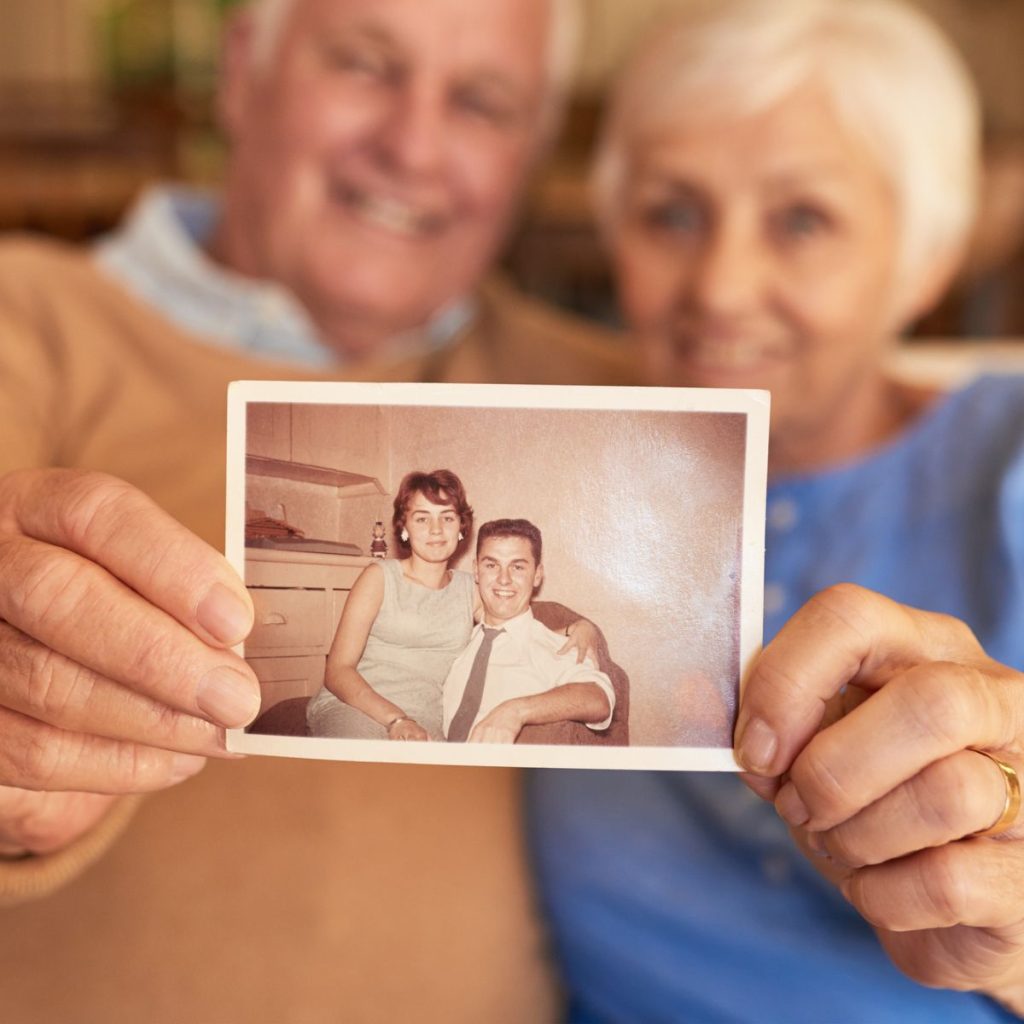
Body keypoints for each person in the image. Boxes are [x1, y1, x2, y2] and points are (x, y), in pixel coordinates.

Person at [0, 0, 630, 1019]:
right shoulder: (26, 317)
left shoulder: (624, 392)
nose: (413, 145)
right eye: (365, 63)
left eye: (480, 101)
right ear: (243, 70)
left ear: (530, 151)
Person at [526, 0, 1024, 1020]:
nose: (720, 286)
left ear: (923, 257)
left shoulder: (1006, 465)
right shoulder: (550, 475)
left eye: (802, 220)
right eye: (671, 213)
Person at [443, 518, 614, 744]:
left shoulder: (557, 647)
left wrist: (515, 711)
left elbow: (599, 699)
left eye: (518, 567)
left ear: (537, 575)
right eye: (491, 565)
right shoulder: (456, 639)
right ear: (476, 571)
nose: (504, 579)